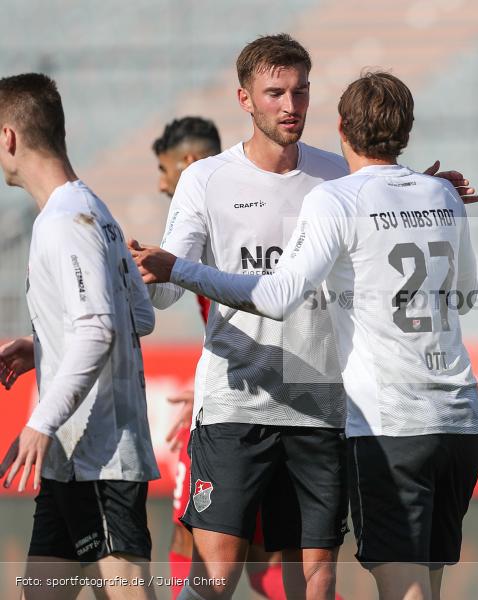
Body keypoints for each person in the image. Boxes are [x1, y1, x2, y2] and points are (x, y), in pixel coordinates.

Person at [138, 35, 477, 600]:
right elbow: (169, 293)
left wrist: (423, 189)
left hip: (322, 408)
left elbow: (384, 198)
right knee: (215, 579)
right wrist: (149, 276)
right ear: (245, 98)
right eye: (275, 92)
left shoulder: (335, 177)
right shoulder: (206, 180)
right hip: (235, 403)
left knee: (315, 586)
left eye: (300, 91)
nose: (290, 105)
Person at [0, 72, 159, 599]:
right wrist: (43, 345)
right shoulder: (93, 209)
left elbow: (99, 328)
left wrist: (40, 422)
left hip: (97, 456)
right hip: (72, 459)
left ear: (9, 137)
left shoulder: (65, 220)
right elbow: (140, 314)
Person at [152, 116, 289, 600]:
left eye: (165, 169)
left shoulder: (216, 218)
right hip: (261, 395)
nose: (161, 181)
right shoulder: (237, 211)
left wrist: (216, 390)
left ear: (189, 163)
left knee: (195, 540)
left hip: (240, 407)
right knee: (267, 567)